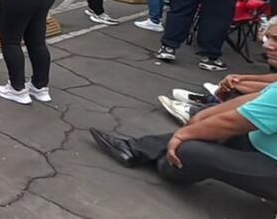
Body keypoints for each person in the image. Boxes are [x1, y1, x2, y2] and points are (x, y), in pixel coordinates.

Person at [89, 22, 277, 200]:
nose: (268, 45)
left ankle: (166, 161)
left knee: (188, 149)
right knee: (208, 126)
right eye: (268, 38)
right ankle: (137, 149)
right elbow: (257, 96)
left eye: (276, 40)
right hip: (258, 143)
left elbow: (231, 122)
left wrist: (182, 135)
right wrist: (203, 116)